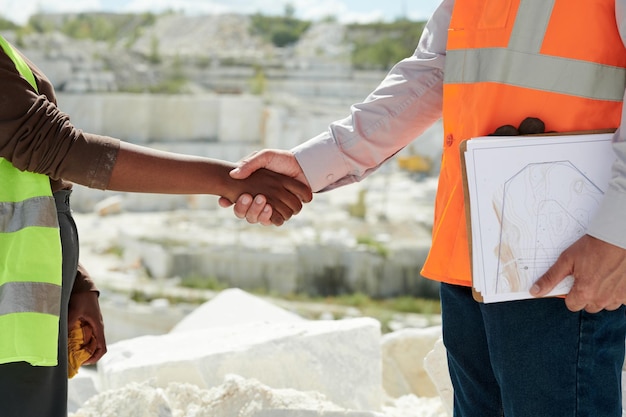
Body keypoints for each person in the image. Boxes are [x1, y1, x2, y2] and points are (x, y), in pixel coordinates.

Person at [220, 1, 626, 415]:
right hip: (475, 256)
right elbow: (434, 69)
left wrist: (617, 235)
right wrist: (313, 164)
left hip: (570, 259)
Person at [0, 35, 312, 417]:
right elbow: (55, 146)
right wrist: (228, 180)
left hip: (24, 319)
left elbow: (38, 180)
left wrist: (77, 282)